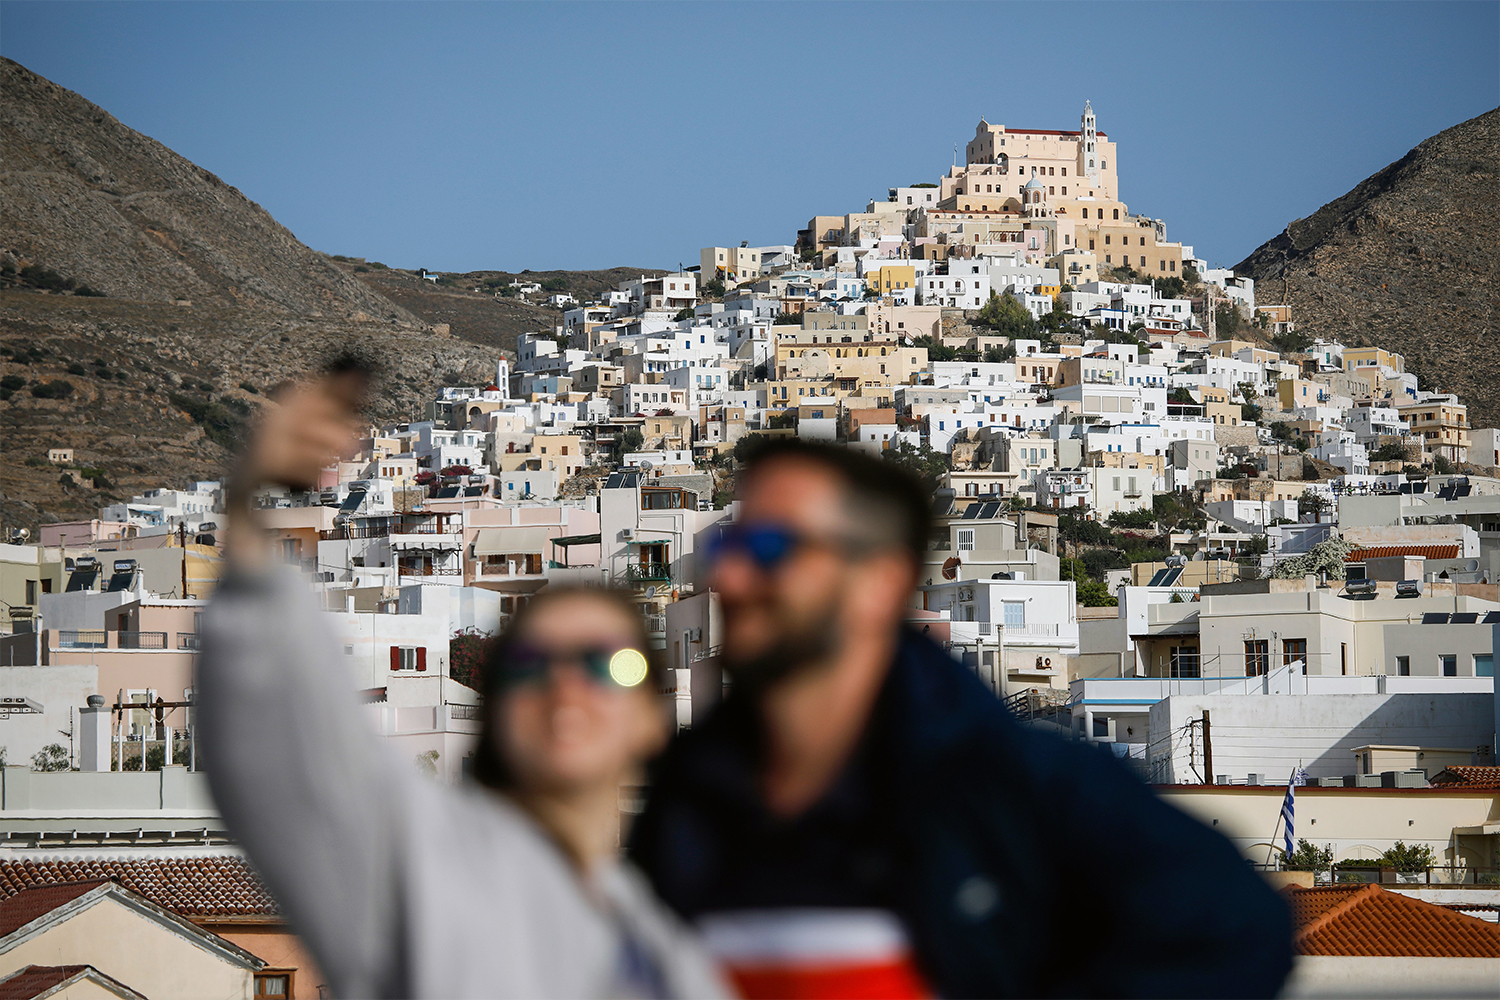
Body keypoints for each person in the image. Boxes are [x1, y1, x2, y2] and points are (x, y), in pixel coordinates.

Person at [629, 438, 1294, 999]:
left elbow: (1240, 931)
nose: (733, 580)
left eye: (771, 548)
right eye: (728, 547)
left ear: (878, 581)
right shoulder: (689, 796)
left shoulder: (1016, 784)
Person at [197, 371, 729, 999]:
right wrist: (250, 505)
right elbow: (283, 766)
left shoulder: (667, 948)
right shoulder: (426, 868)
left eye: (604, 664)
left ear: (650, 714)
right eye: (532, 662)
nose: (566, 686)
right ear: (497, 707)